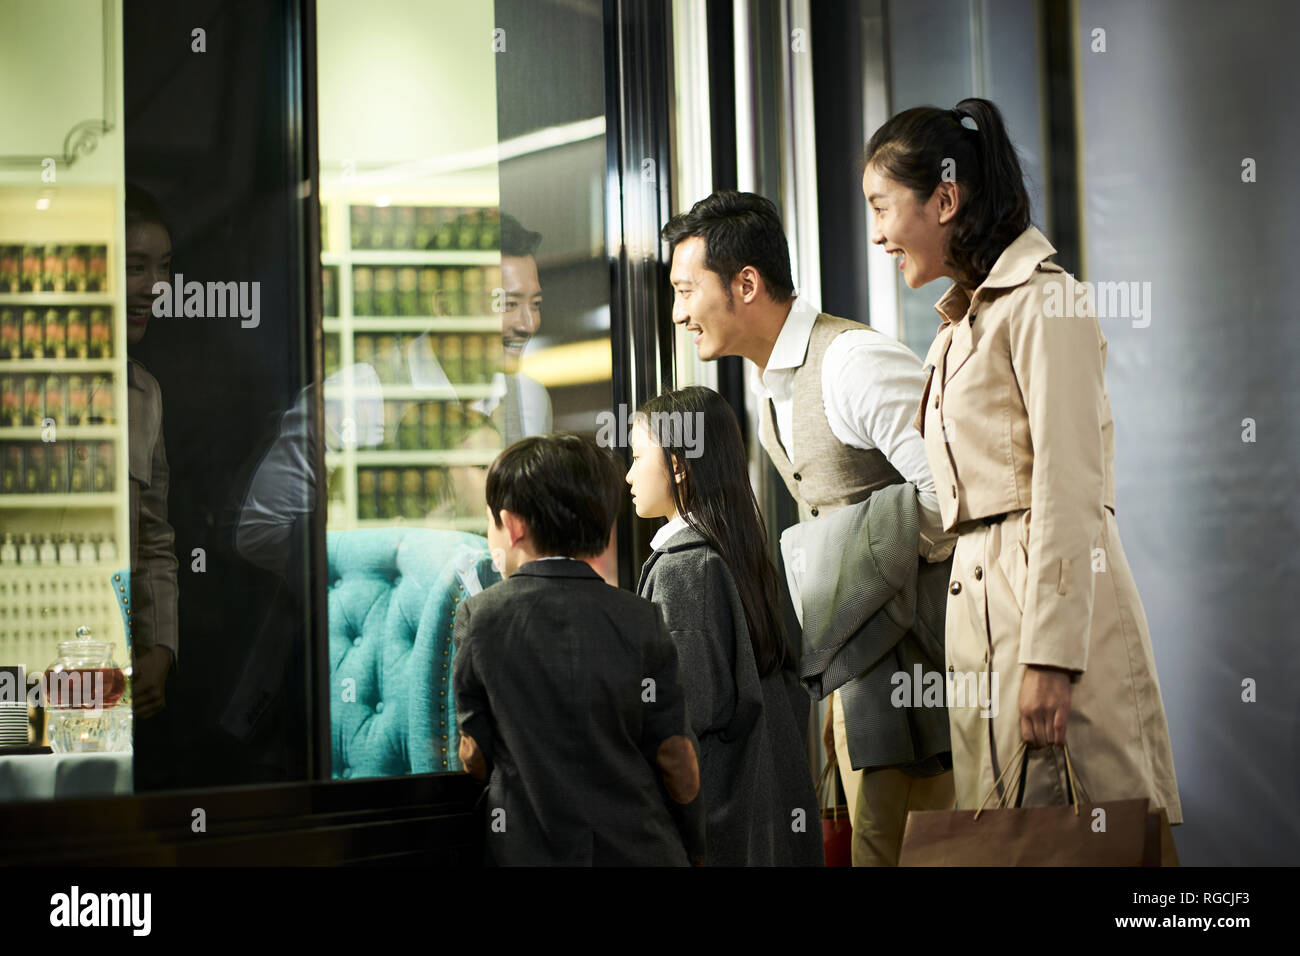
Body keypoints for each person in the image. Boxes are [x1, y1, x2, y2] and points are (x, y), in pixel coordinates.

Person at [860, 97, 1181, 824]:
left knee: (1080, 835)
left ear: (945, 198)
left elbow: (1071, 487)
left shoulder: (1044, 303)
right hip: (981, 625)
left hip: (1043, 616)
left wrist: (1052, 658)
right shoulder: (957, 330)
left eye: (882, 207)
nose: (877, 234)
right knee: (1007, 835)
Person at [661, 191, 955, 866]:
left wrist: (846, 573)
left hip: (924, 669)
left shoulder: (851, 362)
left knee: (928, 850)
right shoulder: (771, 388)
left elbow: (954, 499)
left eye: (685, 291)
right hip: (861, 678)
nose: (677, 313)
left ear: (746, 283)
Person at [453, 433, 705, 866]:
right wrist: (696, 850)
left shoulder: (482, 618)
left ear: (512, 526)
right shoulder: (641, 619)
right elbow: (676, 760)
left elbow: (475, 754)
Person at [629, 386, 823, 866]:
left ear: (678, 464)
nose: (629, 475)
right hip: (765, 817)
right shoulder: (738, 555)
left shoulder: (683, 570)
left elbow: (686, 718)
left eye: (636, 457)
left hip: (714, 832)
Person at [122, 187, 180, 729]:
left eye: (161, 267)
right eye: (135, 266)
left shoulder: (146, 394)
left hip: (110, 669)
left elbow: (154, 538)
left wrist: (160, 648)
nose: (154, 286)